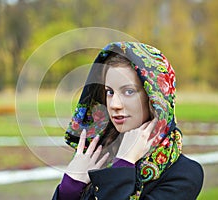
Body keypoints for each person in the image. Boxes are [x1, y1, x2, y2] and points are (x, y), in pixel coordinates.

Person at [52, 42, 204, 200]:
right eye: (109, 92)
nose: (114, 105)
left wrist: (124, 164)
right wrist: (69, 190)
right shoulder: (98, 157)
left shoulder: (184, 175)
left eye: (129, 91)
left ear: (154, 97)